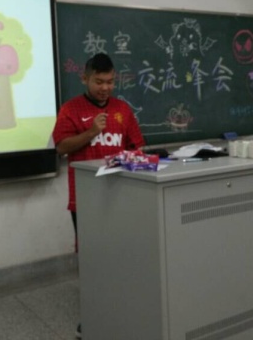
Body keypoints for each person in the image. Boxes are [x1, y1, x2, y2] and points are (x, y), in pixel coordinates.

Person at [52, 53, 145, 339]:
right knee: (92, 258)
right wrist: (92, 131)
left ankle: (123, 304)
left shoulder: (123, 109)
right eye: (99, 82)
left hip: (121, 195)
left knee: (122, 252)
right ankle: (93, 314)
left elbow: (137, 147)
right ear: (85, 78)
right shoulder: (71, 109)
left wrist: (137, 158)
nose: (105, 88)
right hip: (85, 199)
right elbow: (61, 147)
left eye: (110, 82)